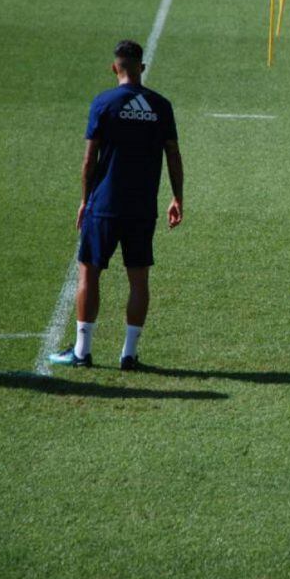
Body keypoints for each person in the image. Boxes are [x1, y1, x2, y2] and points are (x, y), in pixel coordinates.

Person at [48, 40, 184, 371]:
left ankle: (82, 351)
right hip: (142, 207)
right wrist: (177, 196)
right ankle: (129, 355)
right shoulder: (160, 106)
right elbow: (173, 154)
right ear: (142, 67)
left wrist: (85, 200)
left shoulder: (103, 103)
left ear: (114, 67)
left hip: (105, 204)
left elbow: (89, 158)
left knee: (89, 272)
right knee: (138, 279)